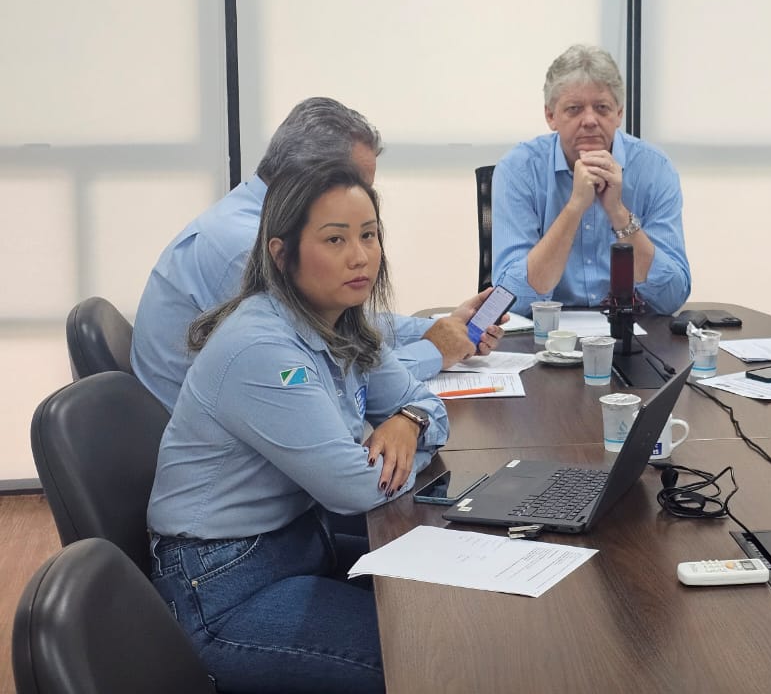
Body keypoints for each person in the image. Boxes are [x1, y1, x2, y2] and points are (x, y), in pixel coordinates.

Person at [148, 161, 444, 694]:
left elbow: (427, 406)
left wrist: (409, 422)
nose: (360, 256)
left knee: (453, 615)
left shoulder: (344, 320)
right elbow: (354, 488)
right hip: (221, 585)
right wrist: (406, 439)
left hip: (299, 543)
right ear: (282, 254)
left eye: (369, 235)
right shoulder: (263, 347)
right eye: (335, 239)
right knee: (429, 659)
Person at [133, 97, 502, 411]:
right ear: (308, 177)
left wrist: (442, 329)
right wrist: (433, 351)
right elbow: (332, 375)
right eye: (353, 188)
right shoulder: (249, 247)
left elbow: (343, 328)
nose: (364, 204)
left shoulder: (260, 216)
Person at [492, 45, 691, 316]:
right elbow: (508, 300)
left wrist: (618, 212)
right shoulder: (518, 170)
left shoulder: (655, 169)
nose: (589, 121)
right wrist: (575, 207)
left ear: (619, 113)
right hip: (545, 331)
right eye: (574, 109)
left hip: (631, 330)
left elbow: (672, 297)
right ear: (550, 116)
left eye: (602, 108)